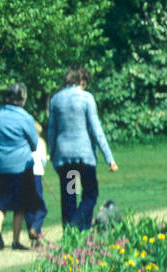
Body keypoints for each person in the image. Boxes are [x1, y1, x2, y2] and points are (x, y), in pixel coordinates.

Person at [47, 65, 117, 230]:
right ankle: (75, 224)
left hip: (65, 158)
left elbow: (51, 131)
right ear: (81, 80)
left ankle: (74, 236)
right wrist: (110, 158)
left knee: (70, 195)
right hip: (84, 156)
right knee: (90, 193)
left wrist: (53, 154)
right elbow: (96, 130)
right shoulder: (86, 98)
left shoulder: (55, 99)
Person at [0, 83, 38, 251]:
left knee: (1, 202)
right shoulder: (25, 117)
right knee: (20, 205)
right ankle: (16, 241)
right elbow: (34, 143)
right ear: (22, 98)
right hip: (20, 165)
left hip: (0, 164)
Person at [25, 120, 49, 248]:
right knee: (41, 207)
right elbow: (43, 160)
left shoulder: (24, 142)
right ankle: (35, 228)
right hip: (37, 174)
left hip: (25, 174)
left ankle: (34, 237)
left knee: (29, 207)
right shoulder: (41, 142)